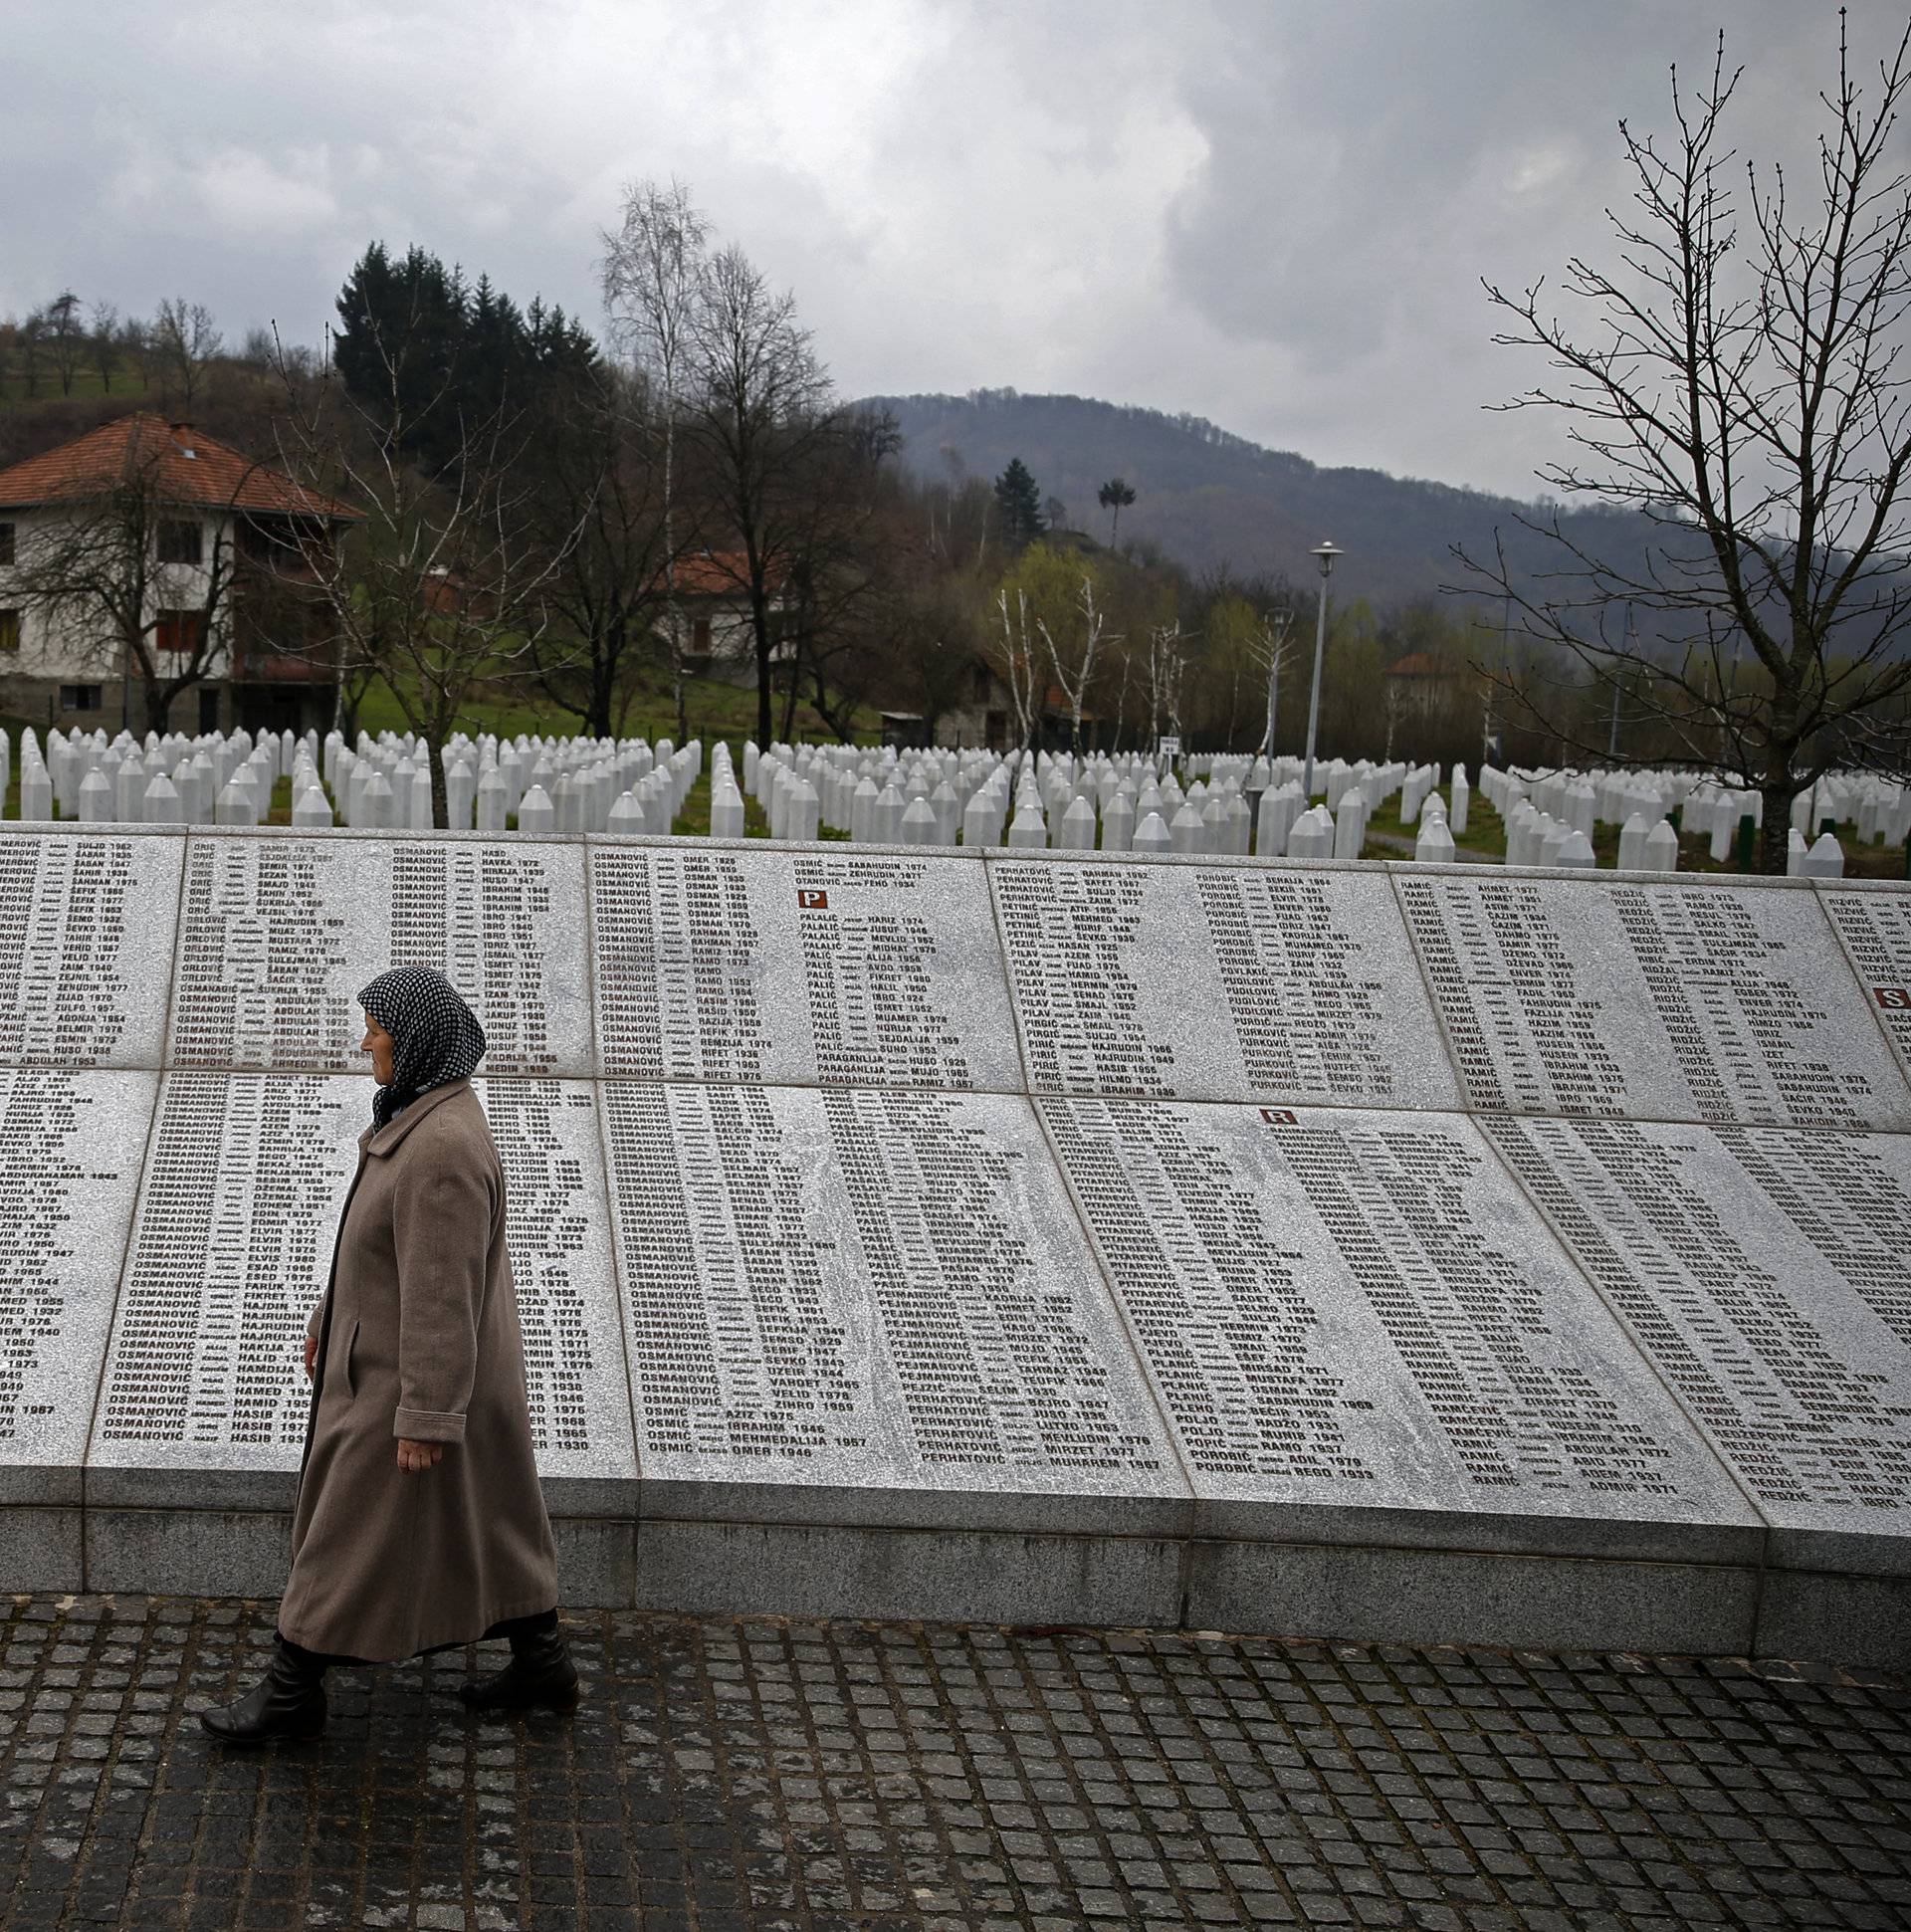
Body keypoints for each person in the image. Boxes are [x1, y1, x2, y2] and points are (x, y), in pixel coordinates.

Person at [201, 966, 576, 1743]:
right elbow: (378, 1254)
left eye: (377, 1026)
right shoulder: (422, 1116)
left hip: (408, 1381)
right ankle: (544, 1665)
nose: (366, 1039)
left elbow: (440, 1294)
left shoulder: (437, 1147)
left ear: (416, 1040)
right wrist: (326, 1318)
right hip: (420, 1369)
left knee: (341, 1528)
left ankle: (291, 1689)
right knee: (495, 1516)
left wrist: (428, 1416)